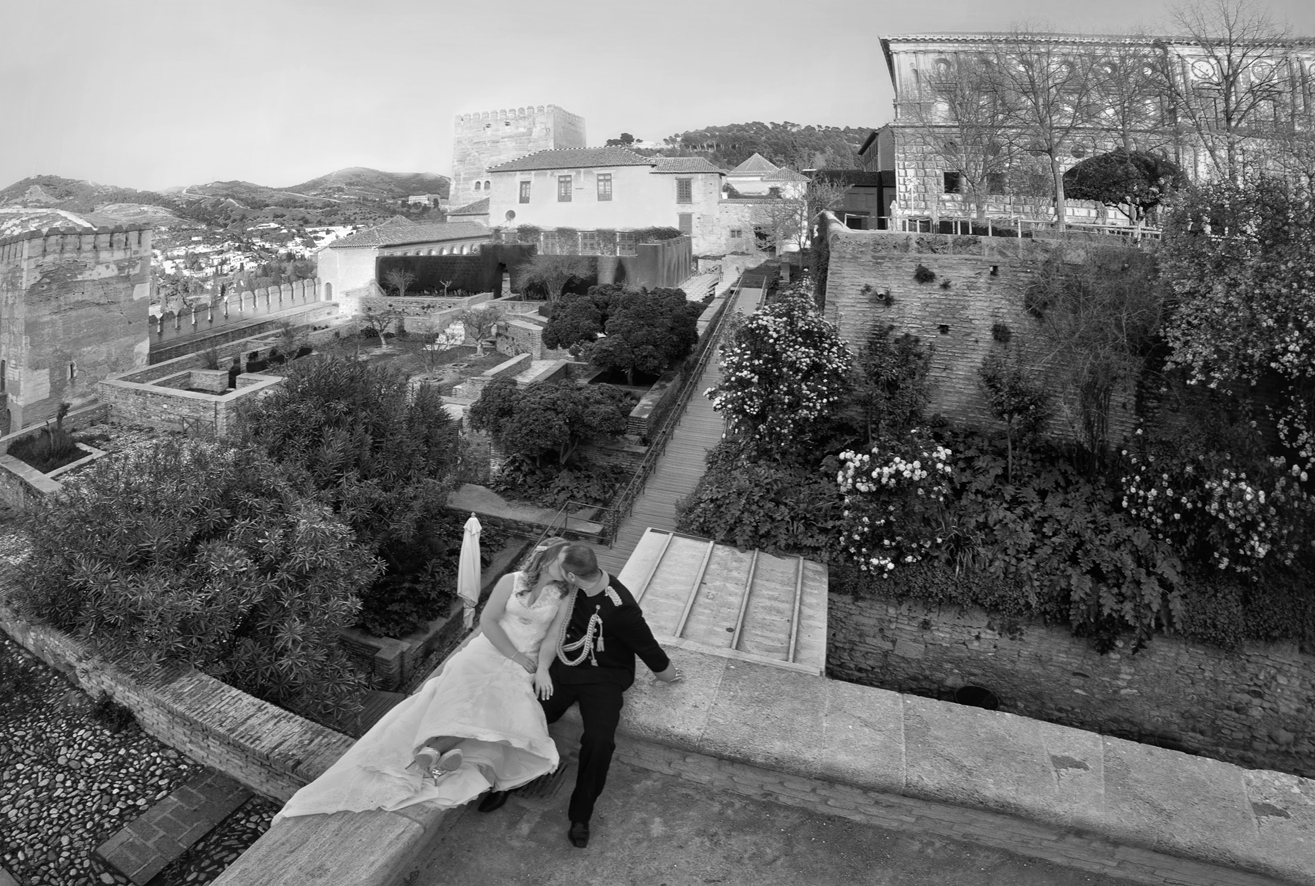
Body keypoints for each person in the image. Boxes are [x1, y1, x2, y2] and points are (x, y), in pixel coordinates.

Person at [275, 539, 576, 819]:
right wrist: (513, 655)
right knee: (468, 693)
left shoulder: (563, 596)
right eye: (563, 563)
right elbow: (488, 621)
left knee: (491, 701)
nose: (567, 570)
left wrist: (542, 668)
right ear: (546, 559)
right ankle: (433, 751)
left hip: (524, 662)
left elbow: (552, 638)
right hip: (490, 649)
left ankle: (431, 751)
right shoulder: (511, 581)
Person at [477, 542, 681, 848]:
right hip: (565, 668)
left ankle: (581, 815)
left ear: (572, 576)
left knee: (600, 741)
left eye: (560, 565)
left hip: (604, 677)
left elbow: (648, 646)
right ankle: (507, 781)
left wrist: (668, 674)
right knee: (528, 714)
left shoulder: (620, 606)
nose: (554, 566)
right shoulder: (568, 587)